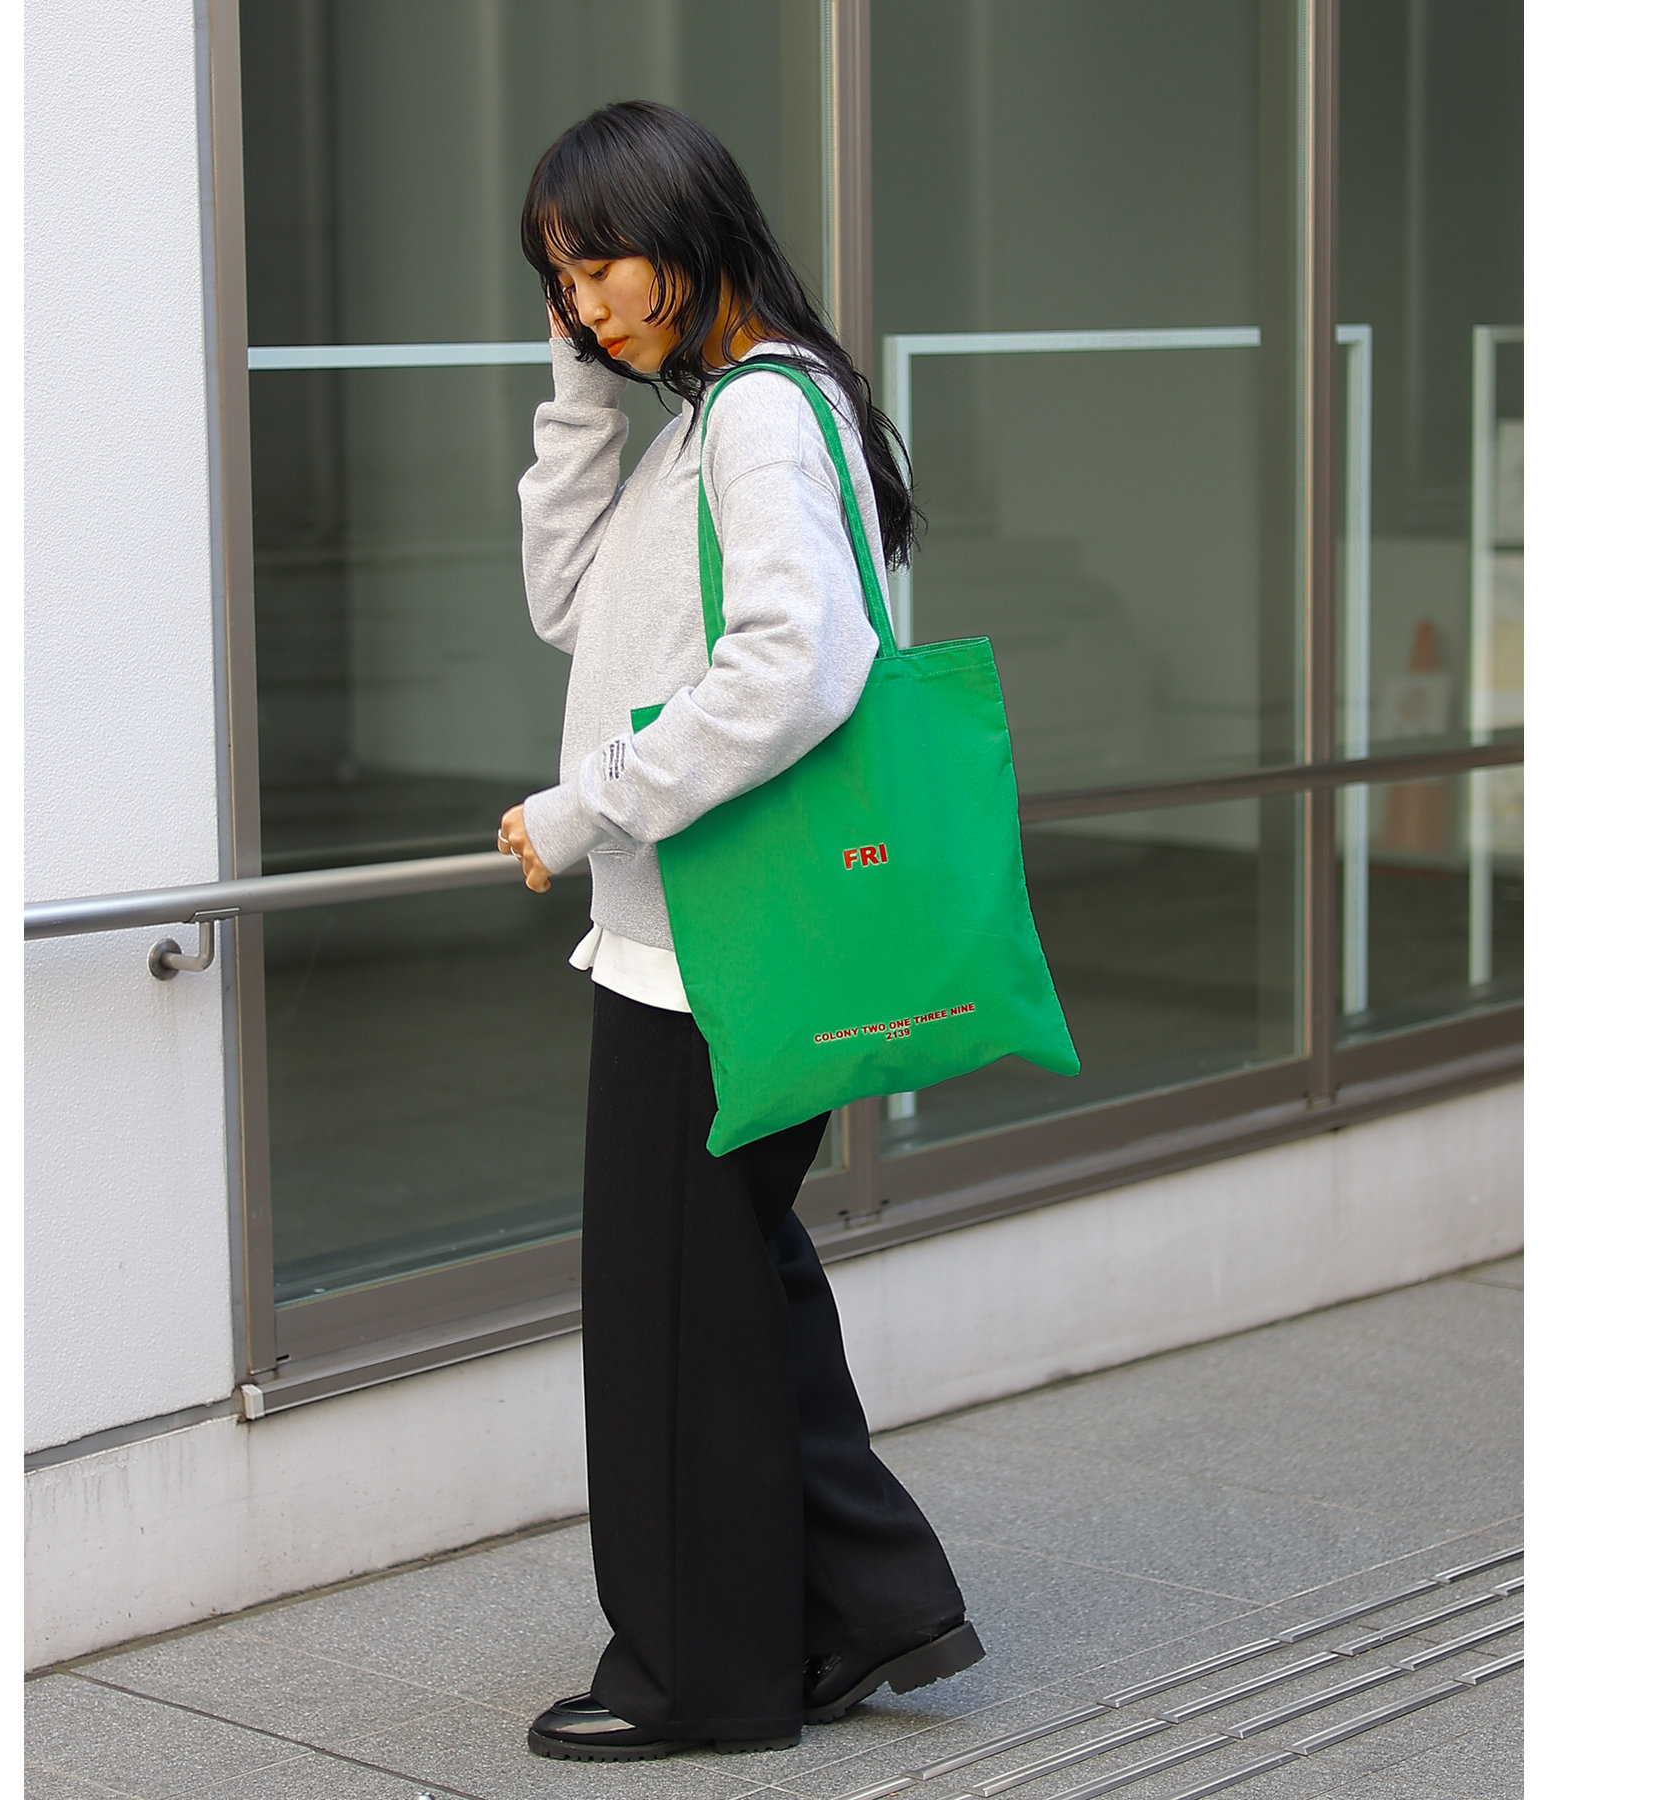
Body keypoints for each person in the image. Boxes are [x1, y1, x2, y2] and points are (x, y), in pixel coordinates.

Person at [495, 100, 981, 1763]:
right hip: (699, 943)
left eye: (605, 267)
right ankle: (865, 1604)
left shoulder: (762, 413)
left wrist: (591, 807)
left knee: (676, 1326)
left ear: (691, 232)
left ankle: (706, 1680)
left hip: (711, 950)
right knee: (735, 1298)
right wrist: (580, 395)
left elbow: (795, 665)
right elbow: (568, 604)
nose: (589, 308)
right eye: (561, 283)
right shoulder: (713, 415)